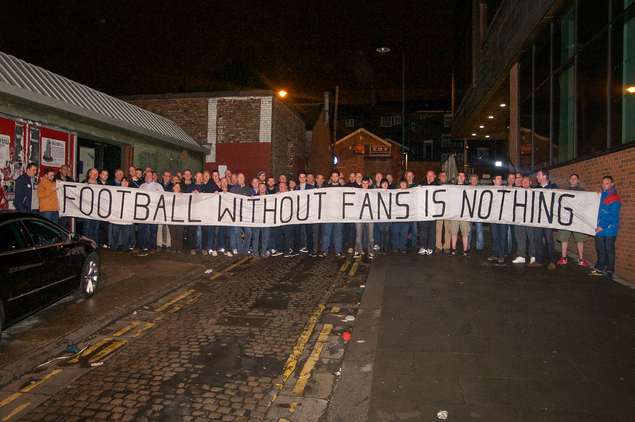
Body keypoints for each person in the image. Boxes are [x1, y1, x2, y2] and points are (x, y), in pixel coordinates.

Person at [588, 176, 622, 280]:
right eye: (603, 183)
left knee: (609, 250)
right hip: (600, 229)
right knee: (600, 249)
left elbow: (612, 215)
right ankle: (599, 269)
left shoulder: (614, 197)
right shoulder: (601, 196)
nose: (604, 185)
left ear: (612, 184)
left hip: (608, 229)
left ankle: (610, 270)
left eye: (607, 183)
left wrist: (602, 226)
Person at [556, 173, 590, 267]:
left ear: (578, 181)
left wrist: (596, 195)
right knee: (564, 238)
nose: (573, 180)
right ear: (569, 180)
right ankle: (564, 257)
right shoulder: (564, 192)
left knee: (580, 239)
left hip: (578, 219)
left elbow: (588, 202)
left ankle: (581, 259)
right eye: (572, 178)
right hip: (566, 219)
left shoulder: (583, 192)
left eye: (575, 179)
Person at [528, 169, 558, 269]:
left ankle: (551, 261)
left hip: (548, 219)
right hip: (538, 219)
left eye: (538, 175)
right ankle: (539, 260)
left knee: (549, 240)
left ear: (545, 176)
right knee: (537, 240)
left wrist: (553, 193)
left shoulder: (554, 187)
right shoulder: (536, 188)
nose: (537, 177)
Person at [136, 170, 164, 253]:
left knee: (153, 230)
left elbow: (164, 197)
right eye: (146, 175)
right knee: (141, 229)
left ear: (153, 177)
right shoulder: (142, 186)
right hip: (143, 212)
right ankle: (139, 247)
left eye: (149, 175)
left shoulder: (158, 186)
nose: (148, 177)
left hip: (154, 211)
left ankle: (152, 247)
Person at [320, 170, 344, 257]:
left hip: (338, 214)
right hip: (328, 214)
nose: (334, 178)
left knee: (338, 233)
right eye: (333, 176)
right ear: (331, 178)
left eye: (336, 176)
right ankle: (325, 249)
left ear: (338, 177)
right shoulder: (326, 188)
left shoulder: (343, 189)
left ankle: (338, 250)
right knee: (326, 232)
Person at [512, 176, 536, 264]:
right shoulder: (517, 192)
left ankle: (533, 255)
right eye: (523, 182)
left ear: (530, 183)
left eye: (527, 182)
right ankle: (521, 255)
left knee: (532, 238)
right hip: (520, 218)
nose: (525, 183)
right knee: (520, 237)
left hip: (531, 219)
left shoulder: (536, 192)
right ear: (521, 183)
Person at [292, 171, 316, 256]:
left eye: (303, 177)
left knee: (309, 232)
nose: (302, 179)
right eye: (300, 177)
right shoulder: (295, 188)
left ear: (306, 178)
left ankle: (310, 249)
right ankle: (296, 249)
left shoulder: (311, 187)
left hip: (308, 212)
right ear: (298, 179)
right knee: (297, 232)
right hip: (298, 213)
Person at [229, 173, 253, 254]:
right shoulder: (232, 189)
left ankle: (245, 249)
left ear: (244, 179)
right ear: (237, 179)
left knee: (249, 232)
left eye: (242, 178)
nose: (241, 179)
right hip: (236, 214)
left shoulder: (248, 189)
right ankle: (239, 249)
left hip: (246, 214)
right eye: (239, 178)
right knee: (236, 232)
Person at [187, 172, 210, 255]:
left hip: (204, 211)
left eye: (201, 177)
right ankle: (193, 247)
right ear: (195, 177)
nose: (199, 179)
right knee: (192, 230)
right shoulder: (190, 187)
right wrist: (192, 193)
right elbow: (186, 197)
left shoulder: (206, 187)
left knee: (205, 230)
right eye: (198, 177)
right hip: (194, 211)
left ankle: (204, 248)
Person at [109, 170, 132, 252]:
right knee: (115, 233)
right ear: (121, 182)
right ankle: (114, 247)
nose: (125, 183)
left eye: (127, 181)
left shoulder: (132, 192)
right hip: (117, 215)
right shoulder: (115, 191)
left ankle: (125, 247)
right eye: (123, 181)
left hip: (126, 215)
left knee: (126, 233)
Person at [417, 170, 439, 255]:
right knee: (423, 230)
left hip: (433, 212)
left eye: (431, 175)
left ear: (435, 176)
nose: (429, 177)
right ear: (426, 176)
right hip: (423, 211)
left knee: (431, 231)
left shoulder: (437, 186)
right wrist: (417, 187)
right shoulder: (421, 183)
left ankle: (430, 247)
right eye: (428, 175)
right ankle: (423, 247)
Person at [487, 174, 507, 263]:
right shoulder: (490, 190)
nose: (500, 180)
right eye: (498, 179)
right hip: (494, 217)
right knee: (495, 236)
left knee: (502, 236)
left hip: (503, 216)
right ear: (494, 181)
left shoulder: (505, 189)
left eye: (501, 179)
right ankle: (495, 253)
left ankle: (501, 255)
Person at [449, 171, 470, 256]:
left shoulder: (469, 188)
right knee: (454, 232)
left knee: (465, 232)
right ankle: (453, 249)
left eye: (463, 176)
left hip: (464, 213)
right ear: (457, 178)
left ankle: (465, 249)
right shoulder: (452, 187)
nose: (461, 178)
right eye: (460, 176)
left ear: (465, 178)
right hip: (454, 212)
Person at [354, 177, 374, 259]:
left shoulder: (373, 192)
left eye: (366, 183)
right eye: (363, 183)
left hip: (370, 216)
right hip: (359, 216)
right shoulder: (357, 192)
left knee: (370, 236)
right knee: (359, 235)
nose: (365, 185)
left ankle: (371, 252)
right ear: (361, 183)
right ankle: (358, 250)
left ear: (369, 183)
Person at [81, 168, 100, 244]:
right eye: (93, 173)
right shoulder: (84, 183)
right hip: (87, 209)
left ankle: (94, 244)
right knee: (87, 227)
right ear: (89, 174)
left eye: (96, 173)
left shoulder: (100, 184)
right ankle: (85, 244)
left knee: (96, 228)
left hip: (97, 210)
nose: (95, 175)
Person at [391, 180, 410, 253]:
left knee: (404, 233)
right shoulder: (395, 192)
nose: (403, 185)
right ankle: (395, 246)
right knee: (395, 232)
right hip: (397, 216)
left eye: (404, 184)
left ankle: (403, 247)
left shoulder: (410, 193)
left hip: (406, 217)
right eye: (402, 184)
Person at [435, 171, 451, 253]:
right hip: (439, 210)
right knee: (438, 229)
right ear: (439, 177)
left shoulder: (451, 186)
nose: (444, 177)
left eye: (445, 176)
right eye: (442, 176)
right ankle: (438, 246)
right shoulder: (435, 185)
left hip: (448, 210)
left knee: (448, 229)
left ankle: (447, 246)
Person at [467, 174, 484, 254]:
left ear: (477, 181)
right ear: (470, 181)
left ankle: (479, 247)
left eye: (475, 180)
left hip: (478, 212)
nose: (474, 181)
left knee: (479, 229)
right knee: (468, 229)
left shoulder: (481, 188)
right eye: (472, 180)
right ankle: (467, 246)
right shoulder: (466, 188)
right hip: (469, 212)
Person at [168, 183, 185, 253]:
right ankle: (174, 248)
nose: (177, 188)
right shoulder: (168, 196)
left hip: (180, 217)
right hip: (171, 217)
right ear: (173, 188)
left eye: (179, 187)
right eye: (176, 187)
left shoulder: (183, 196)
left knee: (180, 233)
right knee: (173, 233)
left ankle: (179, 248)